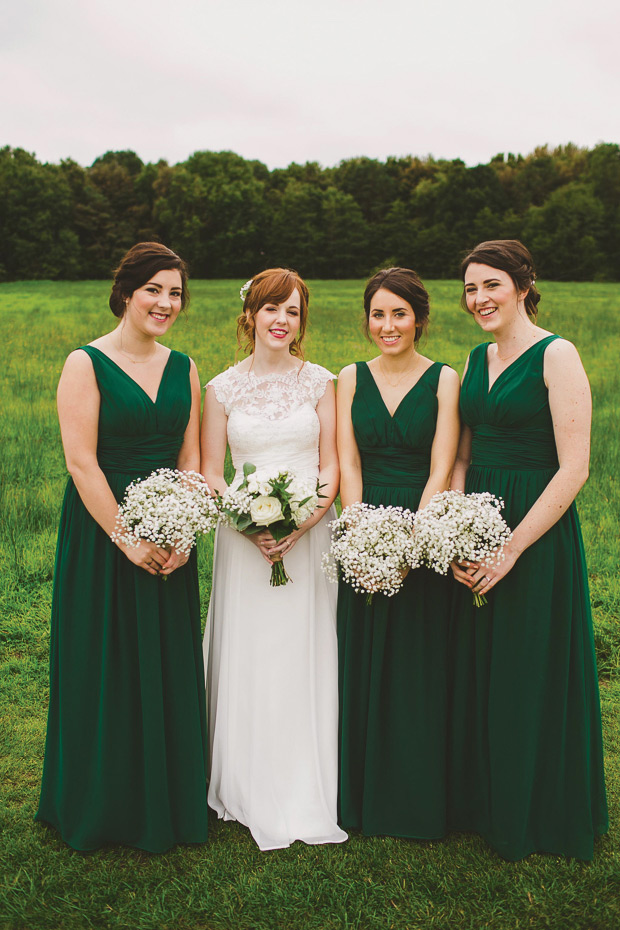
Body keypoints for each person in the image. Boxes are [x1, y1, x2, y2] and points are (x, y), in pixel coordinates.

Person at [35, 242, 209, 852]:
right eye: (155, 290)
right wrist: (127, 540)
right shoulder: (85, 363)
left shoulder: (184, 366)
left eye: (175, 293)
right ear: (127, 293)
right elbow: (82, 464)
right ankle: (101, 800)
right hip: (103, 532)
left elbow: (190, 459)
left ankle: (167, 795)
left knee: (164, 660)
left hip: (171, 534)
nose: (166, 303)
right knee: (104, 660)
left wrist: (182, 530)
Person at [449, 239, 608, 860]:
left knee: (529, 664)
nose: (480, 298)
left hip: (533, 532)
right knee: (484, 666)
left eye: (491, 284)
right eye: (470, 288)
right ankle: (485, 800)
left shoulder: (557, 354)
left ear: (521, 285)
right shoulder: (474, 357)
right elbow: (464, 454)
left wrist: (511, 548)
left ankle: (540, 806)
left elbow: (574, 469)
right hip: (479, 519)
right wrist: (458, 530)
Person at [201, 268, 347, 851]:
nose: (282, 321)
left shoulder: (321, 382)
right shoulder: (221, 388)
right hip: (245, 544)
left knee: (302, 648)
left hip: (310, 536)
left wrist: (303, 521)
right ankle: (247, 777)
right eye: (271, 309)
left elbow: (333, 464)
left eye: (292, 311)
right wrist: (249, 523)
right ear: (251, 316)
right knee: (254, 651)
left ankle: (307, 777)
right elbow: (213, 471)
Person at [336, 267, 460, 837]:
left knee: (416, 661)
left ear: (419, 318)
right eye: (378, 314)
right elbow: (349, 464)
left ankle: (415, 794)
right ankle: (357, 792)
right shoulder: (350, 378)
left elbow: (442, 464)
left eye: (399, 313)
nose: (387, 325)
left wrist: (414, 537)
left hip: (421, 522)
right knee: (360, 659)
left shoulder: (444, 379)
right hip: (364, 524)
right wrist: (359, 530)